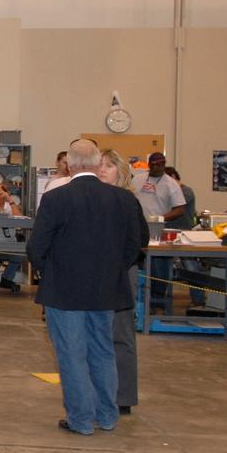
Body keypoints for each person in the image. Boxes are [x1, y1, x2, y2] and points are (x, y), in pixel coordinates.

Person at [27, 139, 142, 435]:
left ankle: (80, 419)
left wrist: (49, 271)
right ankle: (107, 416)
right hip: (106, 288)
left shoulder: (56, 198)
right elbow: (135, 245)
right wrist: (113, 270)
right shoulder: (123, 199)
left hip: (64, 289)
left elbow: (37, 247)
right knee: (103, 351)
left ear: (71, 164)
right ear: (95, 163)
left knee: (71, 353)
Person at [98, 148, 150, 415]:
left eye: (109, 165)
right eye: (100, 165)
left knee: (121, 334)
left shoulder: (129, 201)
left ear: (121, 170)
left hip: (121, 272)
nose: (103, 169)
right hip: (94, 273)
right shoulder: (93, 198)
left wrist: (117, 265)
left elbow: (140, 240)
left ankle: (123, 395)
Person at [131, 151, 186, 312]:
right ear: (149, 165)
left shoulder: (171, 184)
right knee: (137, 264)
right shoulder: (138, 179)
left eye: (159, 164)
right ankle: (137, 301)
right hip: (138, 228)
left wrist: (161, 217)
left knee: (159, 266)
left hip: (158, 230)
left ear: (164, 164)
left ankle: (157, 302)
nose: (156, 167)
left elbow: (180, 209)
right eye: (153, 164)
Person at [164, 166, 204, 306]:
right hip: (168, 234)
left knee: (191, 267)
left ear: (175, 177)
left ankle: (198, 299)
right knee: (166, 268)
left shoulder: (186, 192)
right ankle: (165, 302)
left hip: (185, 235)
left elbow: (176, 209)